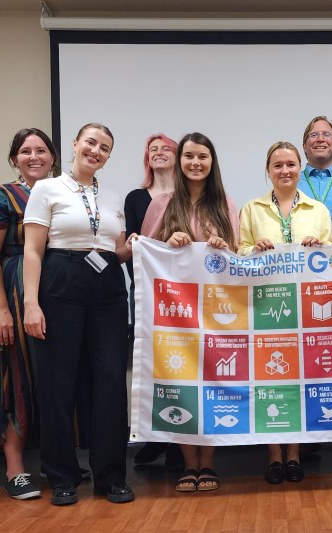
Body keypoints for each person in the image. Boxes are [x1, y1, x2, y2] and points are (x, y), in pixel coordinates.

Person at [23, 123, 134, 506]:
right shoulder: (47, 188)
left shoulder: (113, 194)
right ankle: (63, 477)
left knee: (109, 382)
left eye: (104, 147)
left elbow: (115, 251)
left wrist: (131, 246)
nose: (96, 151)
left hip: (107, 289)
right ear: (74, 144)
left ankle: (111, 477)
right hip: (60, 282)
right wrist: (31, 304)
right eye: (90, 142)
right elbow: (34, 250)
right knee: (58, 384)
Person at [139, 131, 239, 493]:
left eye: (203, 157)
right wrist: (169, 243)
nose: (196, 163)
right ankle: (188, 463)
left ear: (212, 163)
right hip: (175, 315)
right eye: (189, 157)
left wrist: (222, 245)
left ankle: (208, 464)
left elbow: (237, 254)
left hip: (215, 312)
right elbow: (144, 251)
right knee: (180, 385)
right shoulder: (162, 202)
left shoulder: (225, 202)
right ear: (180, 162)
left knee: (212, 382)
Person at [239, 141, 331, 484]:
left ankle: (294, 455)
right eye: (277, 165)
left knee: (299, 382)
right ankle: (273, 456)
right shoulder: (252, 208)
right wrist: (253, 249)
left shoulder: (318, 209)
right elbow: (239, 252)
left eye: (291, 164)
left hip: (306, 309)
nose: (285, 170)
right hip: (266, 307)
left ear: (300, 167)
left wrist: (320, 248)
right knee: (268, 382)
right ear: (268, 171)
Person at [0, 128, 58, 500]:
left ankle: (56, 463)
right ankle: (15, 467)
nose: (34, 156)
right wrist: (2, 310)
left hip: (57, 293)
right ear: (14, 159)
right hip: (18, 291)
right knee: (18, 375)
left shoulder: (64, 194)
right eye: (26, 151)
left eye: (42, 150)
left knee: (55, 379)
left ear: (54, 157)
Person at [124, 133, 180, 467]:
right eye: (152, 150)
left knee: (179, 362)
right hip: (147, 290)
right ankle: (155, 437)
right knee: (151, 363)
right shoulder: (135, 198)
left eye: (165, 149)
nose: (158, 153)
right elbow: (133, 244)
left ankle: (177, 443)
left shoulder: (191, 195)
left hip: (183, 294)